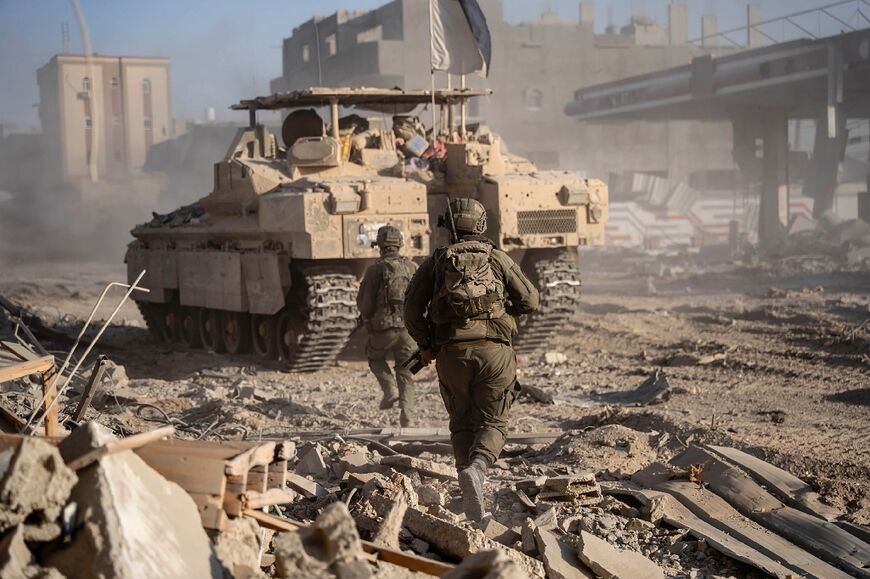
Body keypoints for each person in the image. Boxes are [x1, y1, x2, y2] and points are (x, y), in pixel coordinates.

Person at [403, 198, 539, 521]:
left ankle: (468, 485)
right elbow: (531, 300)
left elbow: (410, 309)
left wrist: (427, 342)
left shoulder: (437, 262)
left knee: (462, 423)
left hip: (451, 356)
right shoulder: (497, 258)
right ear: (480, 226)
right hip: (495, 355)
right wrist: (504, 310)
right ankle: (477, 471)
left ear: (451, 229)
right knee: (493, 423)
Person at [356, 225, 419, 427]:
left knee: (374, 357)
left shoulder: (374, 270)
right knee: (407, 372)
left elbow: (365, 307)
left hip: (383, 330)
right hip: (410, 331)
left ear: (380, 246)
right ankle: (408, 416)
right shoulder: (413, 267)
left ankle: (389, 389)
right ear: (399, 244)